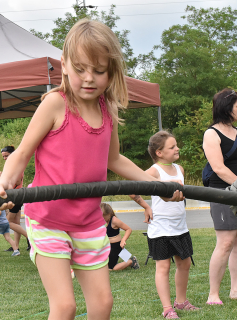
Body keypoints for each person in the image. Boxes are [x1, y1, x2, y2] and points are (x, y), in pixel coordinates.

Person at [0, 19, 183, 320]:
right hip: (48, 221)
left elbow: (115, 159)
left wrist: (155, 184)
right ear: (64, 64)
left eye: (98, 70)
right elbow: (22, 153)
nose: (89, 78)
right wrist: (4, 181)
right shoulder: (55, 104)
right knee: (65, 306)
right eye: (80, 68)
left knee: (103, 304)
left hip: (89, 223)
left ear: (112, 72)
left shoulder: (108, 110)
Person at [145, 131, 199, 319]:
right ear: (159, 152)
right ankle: (167, 308)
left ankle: (181, 302)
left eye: (176, 145)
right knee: (163, 267)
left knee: (184, 264)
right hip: (160, 228)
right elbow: (133, 189)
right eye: (172, 147)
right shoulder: (153, 171)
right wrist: (145, 206)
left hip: (180, 227)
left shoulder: (180, 169)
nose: (177, 149)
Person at [203, 88, 237, 305]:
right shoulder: (211, 134)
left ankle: (235, 290)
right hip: (222, 193)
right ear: (227, 107)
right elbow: (219, 168)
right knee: (225, 243)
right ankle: (213, 294)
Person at [0, 146, 30, 251]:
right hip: (16, 196)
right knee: (16, 223)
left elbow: (17, 182)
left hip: (16, 196)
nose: (5, 158)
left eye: (6, 156)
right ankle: (16, 246)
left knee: (8, 222)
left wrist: (4, 177)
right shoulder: (13, 165)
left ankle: (30, 238)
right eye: (3, 157)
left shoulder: (16, 165)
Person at [100, 203, 139, 271]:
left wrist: (123, 240)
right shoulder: (104, 221)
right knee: (105, 266)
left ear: (109, 214)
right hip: (108, 246)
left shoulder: (114, 220)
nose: (102, 219)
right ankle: (125, 258)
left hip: (116, 246)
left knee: (112, 268)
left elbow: (128, 229)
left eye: (103, 217)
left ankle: (132, 261)